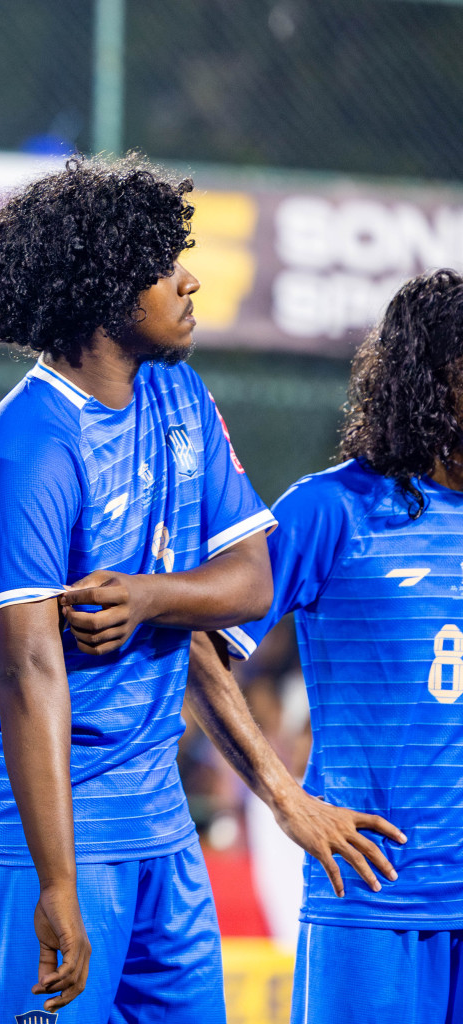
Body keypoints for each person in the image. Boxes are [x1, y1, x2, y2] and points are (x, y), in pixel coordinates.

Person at [0, 156, 278, 1020]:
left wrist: (151, 597)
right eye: (166, 264)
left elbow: (250, 583)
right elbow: (27, 673)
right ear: (104, 288)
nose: (189, 279)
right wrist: (57, 881)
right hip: (38, 825)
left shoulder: (181, 394)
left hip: (156, 815)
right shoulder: (29, 443)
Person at [191, 269, 463, 1023]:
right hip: (376, 900)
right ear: (434, 378)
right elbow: (198, 652)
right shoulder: (334, 508)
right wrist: (287, 799)